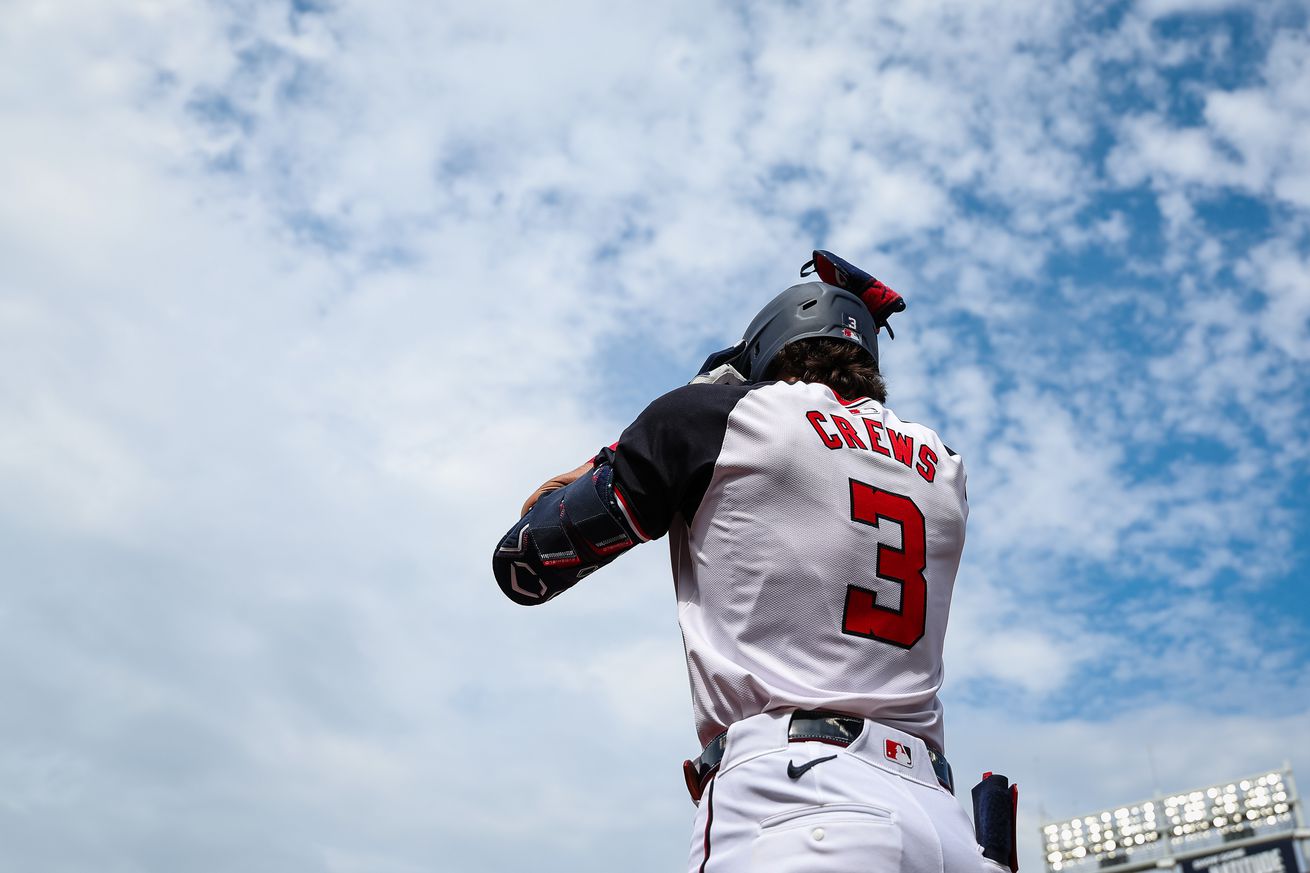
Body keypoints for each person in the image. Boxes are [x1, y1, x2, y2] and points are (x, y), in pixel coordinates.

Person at [493, 261, 1005, 873]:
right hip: (943, 825)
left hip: (799, 800)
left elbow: (525, 563)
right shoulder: (945, 464)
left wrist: (650, 430)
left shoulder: (716, 418)